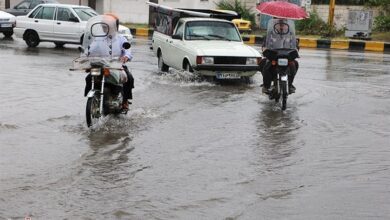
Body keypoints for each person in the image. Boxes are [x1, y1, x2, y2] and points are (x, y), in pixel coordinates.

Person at [84, 14, 134, 110]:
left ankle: (125, 101)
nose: (104, 28)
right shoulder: (99, 39)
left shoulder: (121, 39)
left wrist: (125, 57)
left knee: (129, 78)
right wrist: (85, 56)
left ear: (114, 27)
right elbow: (90, 50)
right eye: (103, 26)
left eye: (107, 26)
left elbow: (127, 51)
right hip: (102, 65)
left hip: (117, 66)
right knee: (89, 78)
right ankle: (92, 99)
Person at [259, 18, 299, 94]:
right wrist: (264, 49)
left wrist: (296, 49)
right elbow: (264, 45)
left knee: (295, 64)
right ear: (275, 25)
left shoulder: (290, 34)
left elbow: (295, 45)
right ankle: (266, 85)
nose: (281, 26)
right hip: (274, 55)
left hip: (287, 56)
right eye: (279, 24)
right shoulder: (270, 34)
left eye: (283, 24)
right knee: (264, 63)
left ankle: (290, 84)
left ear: (287, 25)